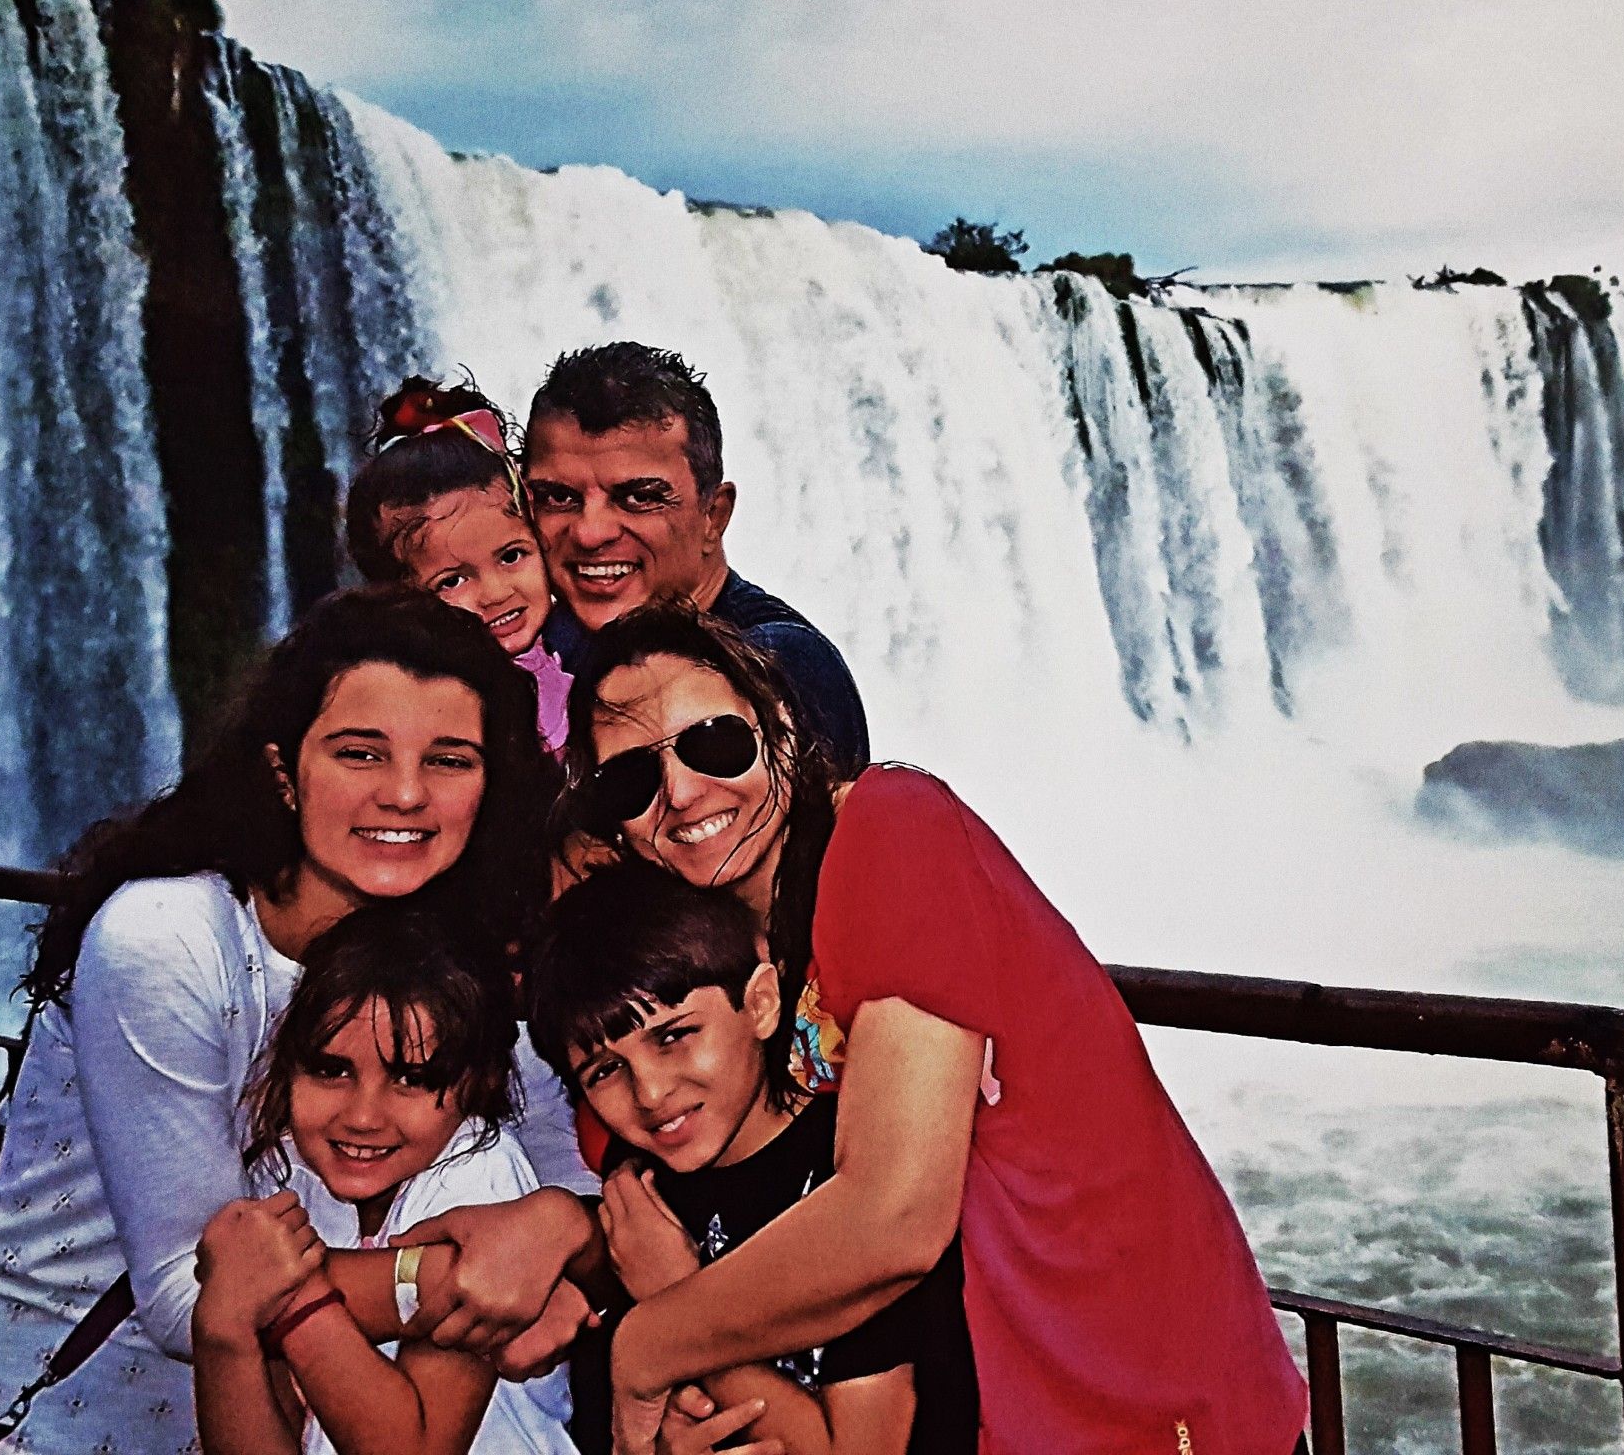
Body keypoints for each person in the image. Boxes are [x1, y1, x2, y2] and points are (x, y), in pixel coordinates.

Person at [557, 603, 1309, 1455]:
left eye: (714, 742)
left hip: (1131, 1373)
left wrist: (652, 1344)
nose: (683, 793)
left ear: (782, 730)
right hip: (983, 1394)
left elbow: (894, 1218)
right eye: (630, 781)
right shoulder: (726, 950)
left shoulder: (893, 829)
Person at [0, 588, 586, 1455]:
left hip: (311, 1418)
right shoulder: (168, 939)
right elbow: (191, 1294)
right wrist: (456, 1281)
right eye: (360, 753)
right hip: (78, 1418)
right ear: (283, 771)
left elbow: (571, 1181)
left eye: (449, 760)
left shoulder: (455, 960)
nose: (405, 794)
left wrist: (560, 1228)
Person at [528, 860, 977, 1455]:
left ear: (761, 1003)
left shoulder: (849, 1173)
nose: (651, 1093)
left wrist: (675, 1302)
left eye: (674, 1035)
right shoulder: (640, 1193)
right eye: (605, 1070)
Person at [192, 903, 577, 1455]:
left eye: (412, 1079)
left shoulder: (478, 1171)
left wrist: (294, 1290)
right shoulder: (288, 1172)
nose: (363, 1117)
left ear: (483, 1082)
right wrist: (223, 1335)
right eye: (331, 1070)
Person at [522, 342, 869, 775]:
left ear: (713, 516)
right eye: (558, 497)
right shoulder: (536, 638)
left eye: (640, 498)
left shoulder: (779, 665)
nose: (590, 533)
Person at [347, 376, 571, 755]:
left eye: (511, 556)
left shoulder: (581, 647)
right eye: (452, 581)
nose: (496, 593)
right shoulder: (425, 710)